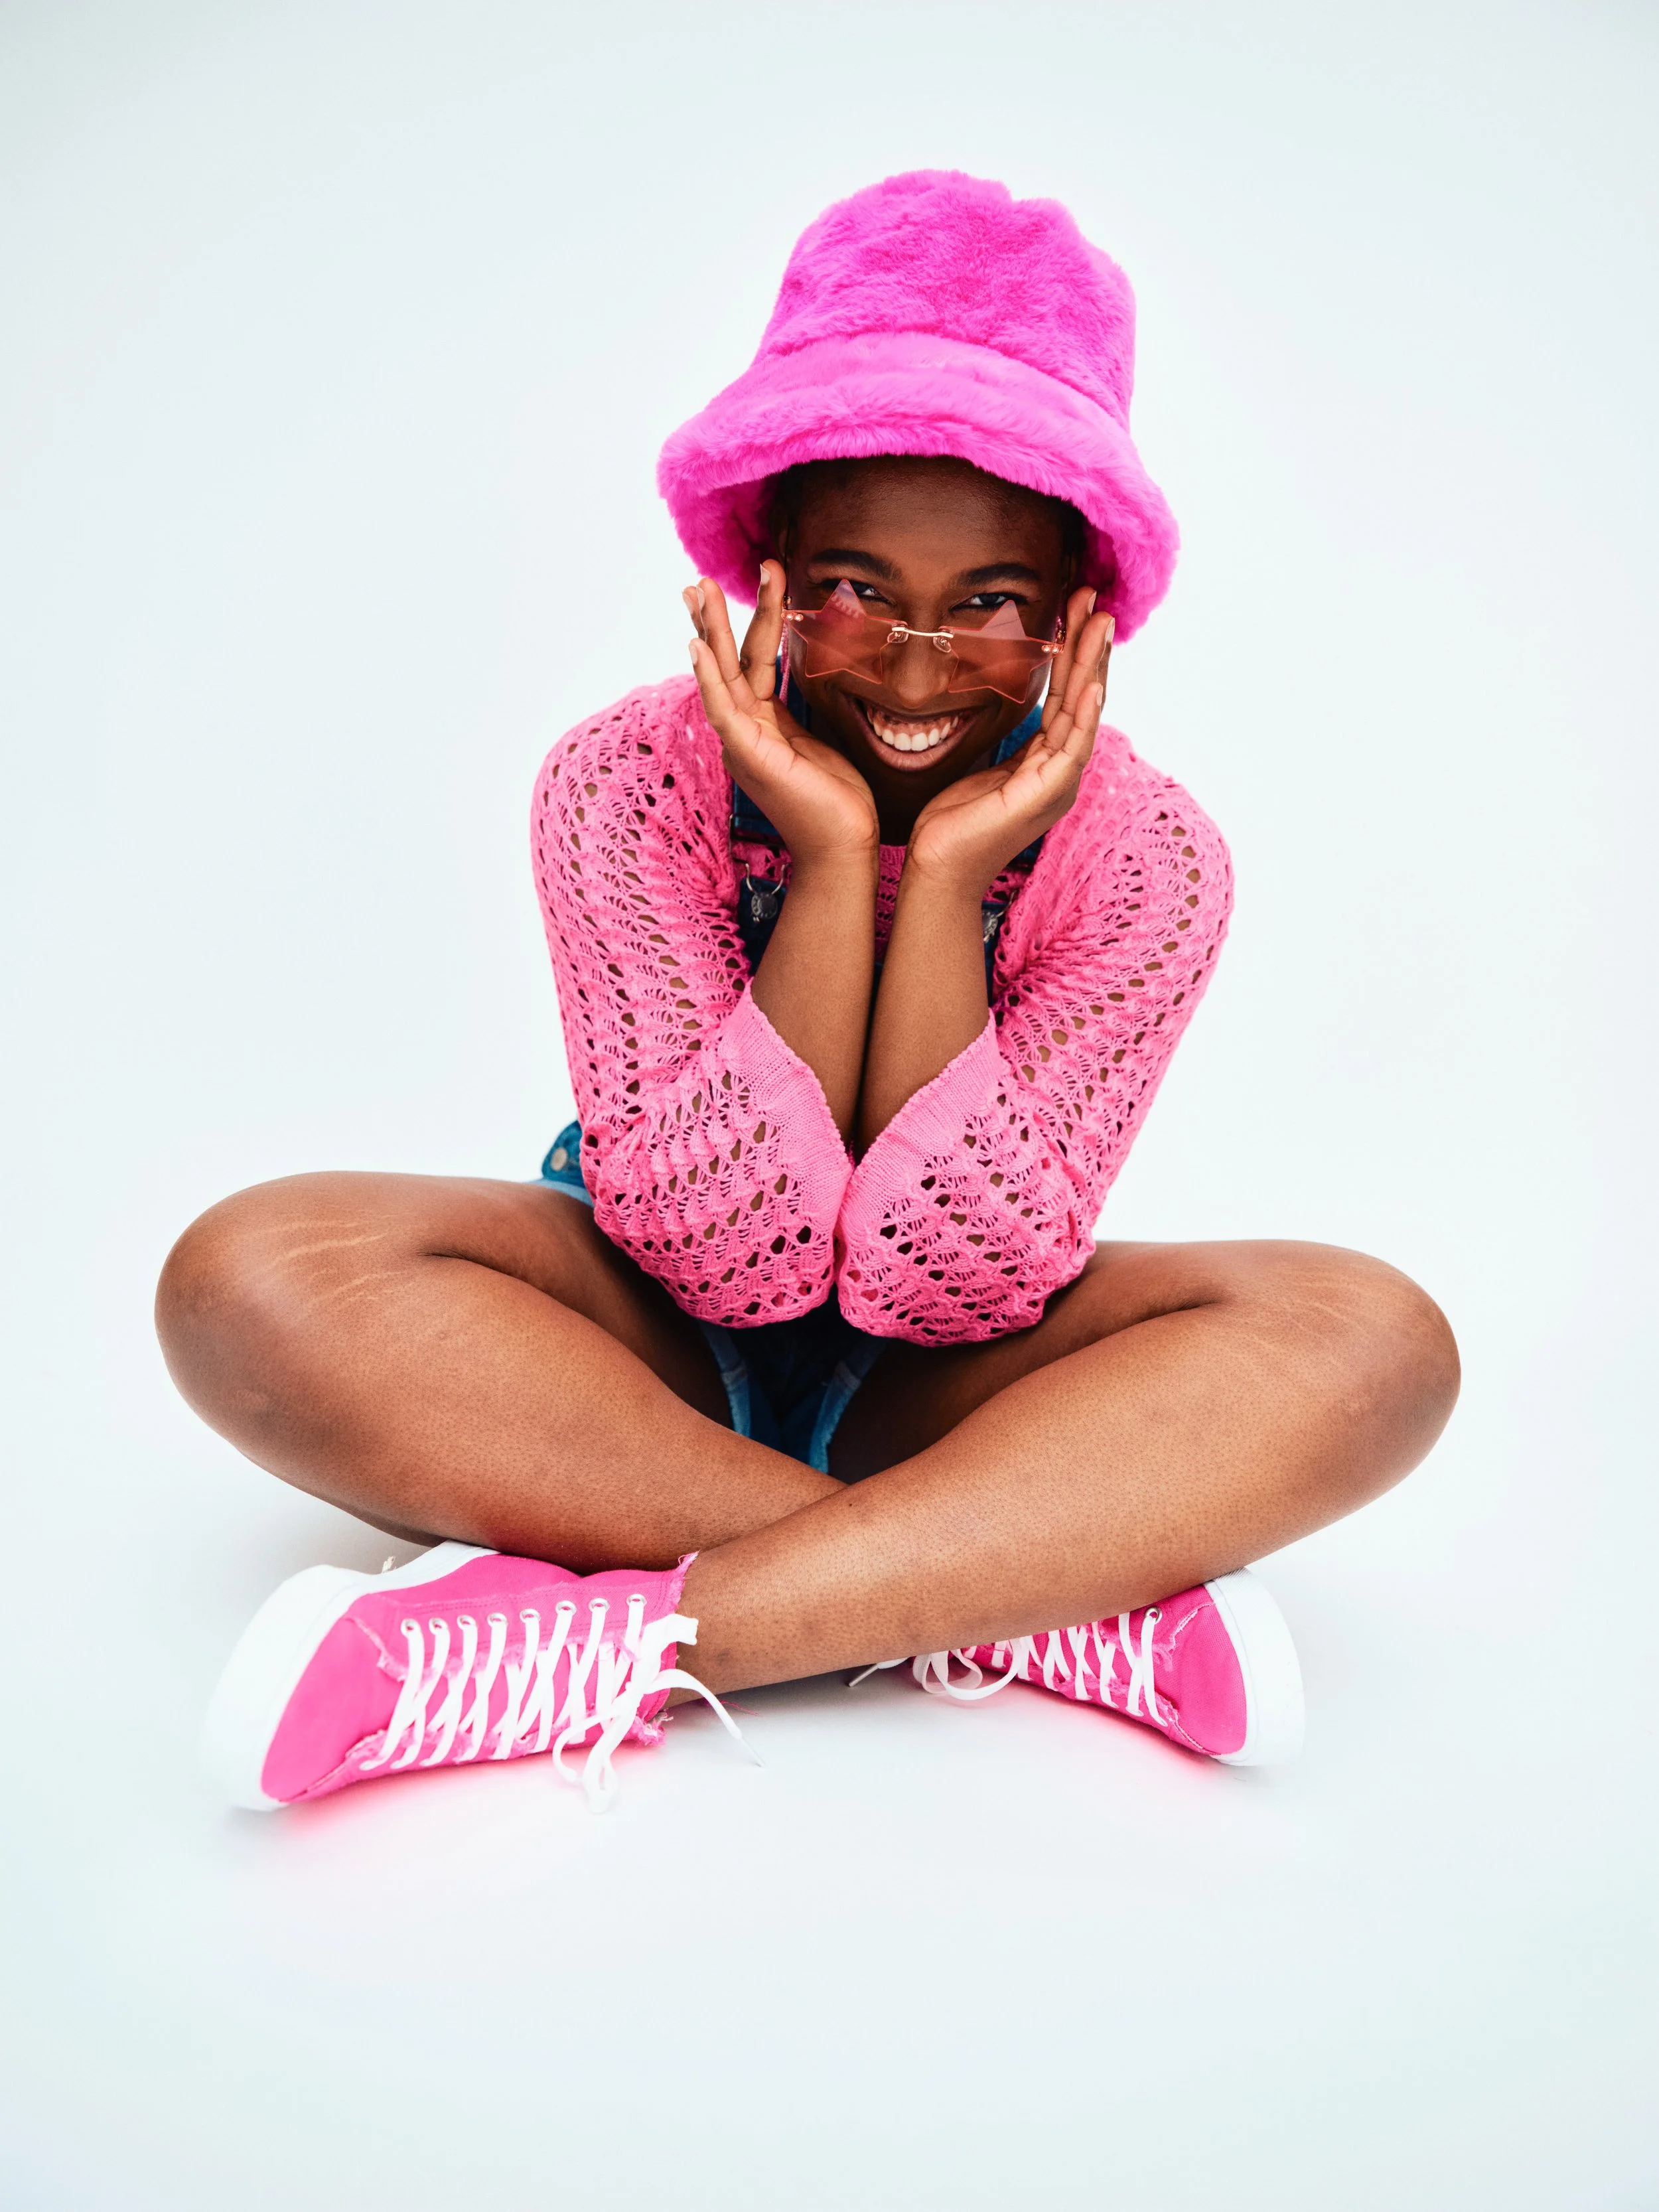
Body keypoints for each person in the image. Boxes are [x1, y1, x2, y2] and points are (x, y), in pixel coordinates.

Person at [157, 171, 1459, 1814]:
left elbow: (939, 1290)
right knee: (253, 1273)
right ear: (769, 571)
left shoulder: (1148, 858)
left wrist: (956, 879)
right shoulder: (628, 781)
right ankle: (1019, 1600)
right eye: (856, 588)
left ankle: (593, 1646)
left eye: (984, 604)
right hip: (640, 1339)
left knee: (1370, 1342)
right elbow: (727, 1248)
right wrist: (836, 861)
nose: (914, 670)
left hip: (958, 1367)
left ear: (1074, 617)